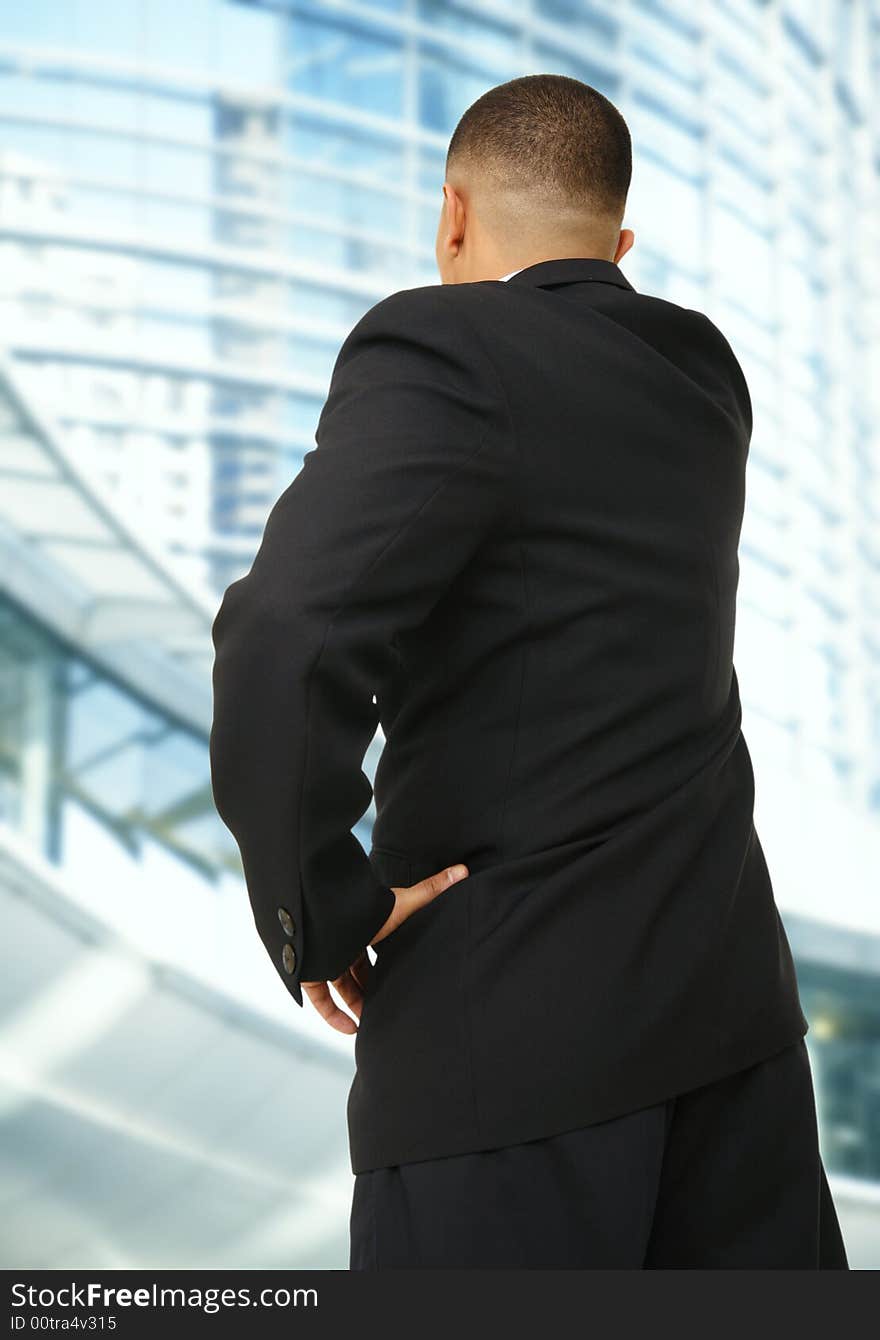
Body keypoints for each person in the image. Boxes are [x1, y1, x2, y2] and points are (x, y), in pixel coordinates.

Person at [209, 74, 848, 1269]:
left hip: (508, 1058)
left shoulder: (444, 345)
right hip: (737, 1054)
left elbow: (284, 631)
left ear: (451, 215)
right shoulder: (702, 376)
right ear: (619, 246)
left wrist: (320, 900)